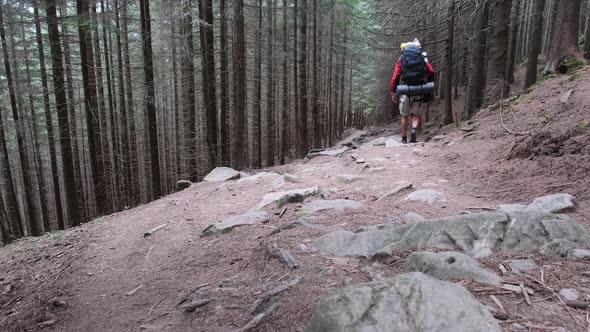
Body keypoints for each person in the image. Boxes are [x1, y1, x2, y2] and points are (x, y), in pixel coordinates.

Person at [390, 39, 435, 143]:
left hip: (406, 89)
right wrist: (425, 80)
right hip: (419, 89)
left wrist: (393, 91)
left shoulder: (402, 58)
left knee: (404, 115)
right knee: (415, 114)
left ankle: (404, 138)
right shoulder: (422, 57)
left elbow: (395, 76)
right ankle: (414, 130)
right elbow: (431, 71)